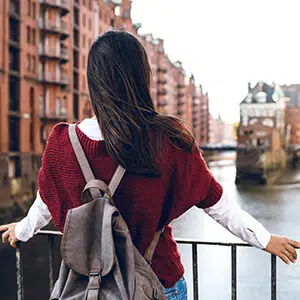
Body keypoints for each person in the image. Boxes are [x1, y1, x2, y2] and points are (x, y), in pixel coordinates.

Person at [0, 31, 299, 299]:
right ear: (142, 78)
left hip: (91, 286)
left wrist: (22, 231)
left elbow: (45, 199)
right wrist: (265, 239)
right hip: (157, 284)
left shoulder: (63, 143)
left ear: (93, 82)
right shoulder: (169, 142)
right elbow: (217, 205)